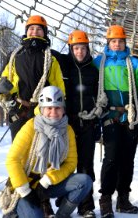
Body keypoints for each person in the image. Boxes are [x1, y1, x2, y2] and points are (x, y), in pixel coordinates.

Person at [6, 86, 93, 218]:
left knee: (84, 181)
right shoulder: (31, 127)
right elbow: (12, 160)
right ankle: (16, 210)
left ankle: (61, 215)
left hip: (48, 183)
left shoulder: (67, 130)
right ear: (41, 109)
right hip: (26, 184)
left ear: (63, 109)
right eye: (49, 108)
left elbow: (71, 163)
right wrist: (25, 191)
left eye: (57, 107)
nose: (53, 112)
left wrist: (47, 180)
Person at [93, 25, 138, 218]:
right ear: (108, 43)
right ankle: (106, 199)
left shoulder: (133, 63)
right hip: (110, 116)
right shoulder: (99, 63)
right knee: (110, 158)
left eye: (120, 41)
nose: (117, 45)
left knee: (127, 159)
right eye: (113, 41)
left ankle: (124, 198)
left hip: (130, 117)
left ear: (125, 43)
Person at [0, 15, 65, 140]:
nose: (35, 32)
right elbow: (4, 78)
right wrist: (1, 88)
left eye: (39, 29)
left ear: (44, 33)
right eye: (31, 28)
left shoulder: (52, 58)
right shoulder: (15, 56)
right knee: (20, 152)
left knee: (42, 153)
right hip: (19, 111)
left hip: (44, 112)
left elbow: (58, 86)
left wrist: (59, 108)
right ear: (26, 31)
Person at [57, 30, 100, 218]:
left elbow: (99, 95)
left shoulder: (93, 69)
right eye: (76, 48)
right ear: (71, 49)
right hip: (69, 123)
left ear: (87, 49)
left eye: (83, 48)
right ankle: (63, 198)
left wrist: (97, 118)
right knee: (65, 162)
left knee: (86, 165)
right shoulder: (65, 66)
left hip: (88, 123)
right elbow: (50, 54)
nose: (80, 52)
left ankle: (86, 205)